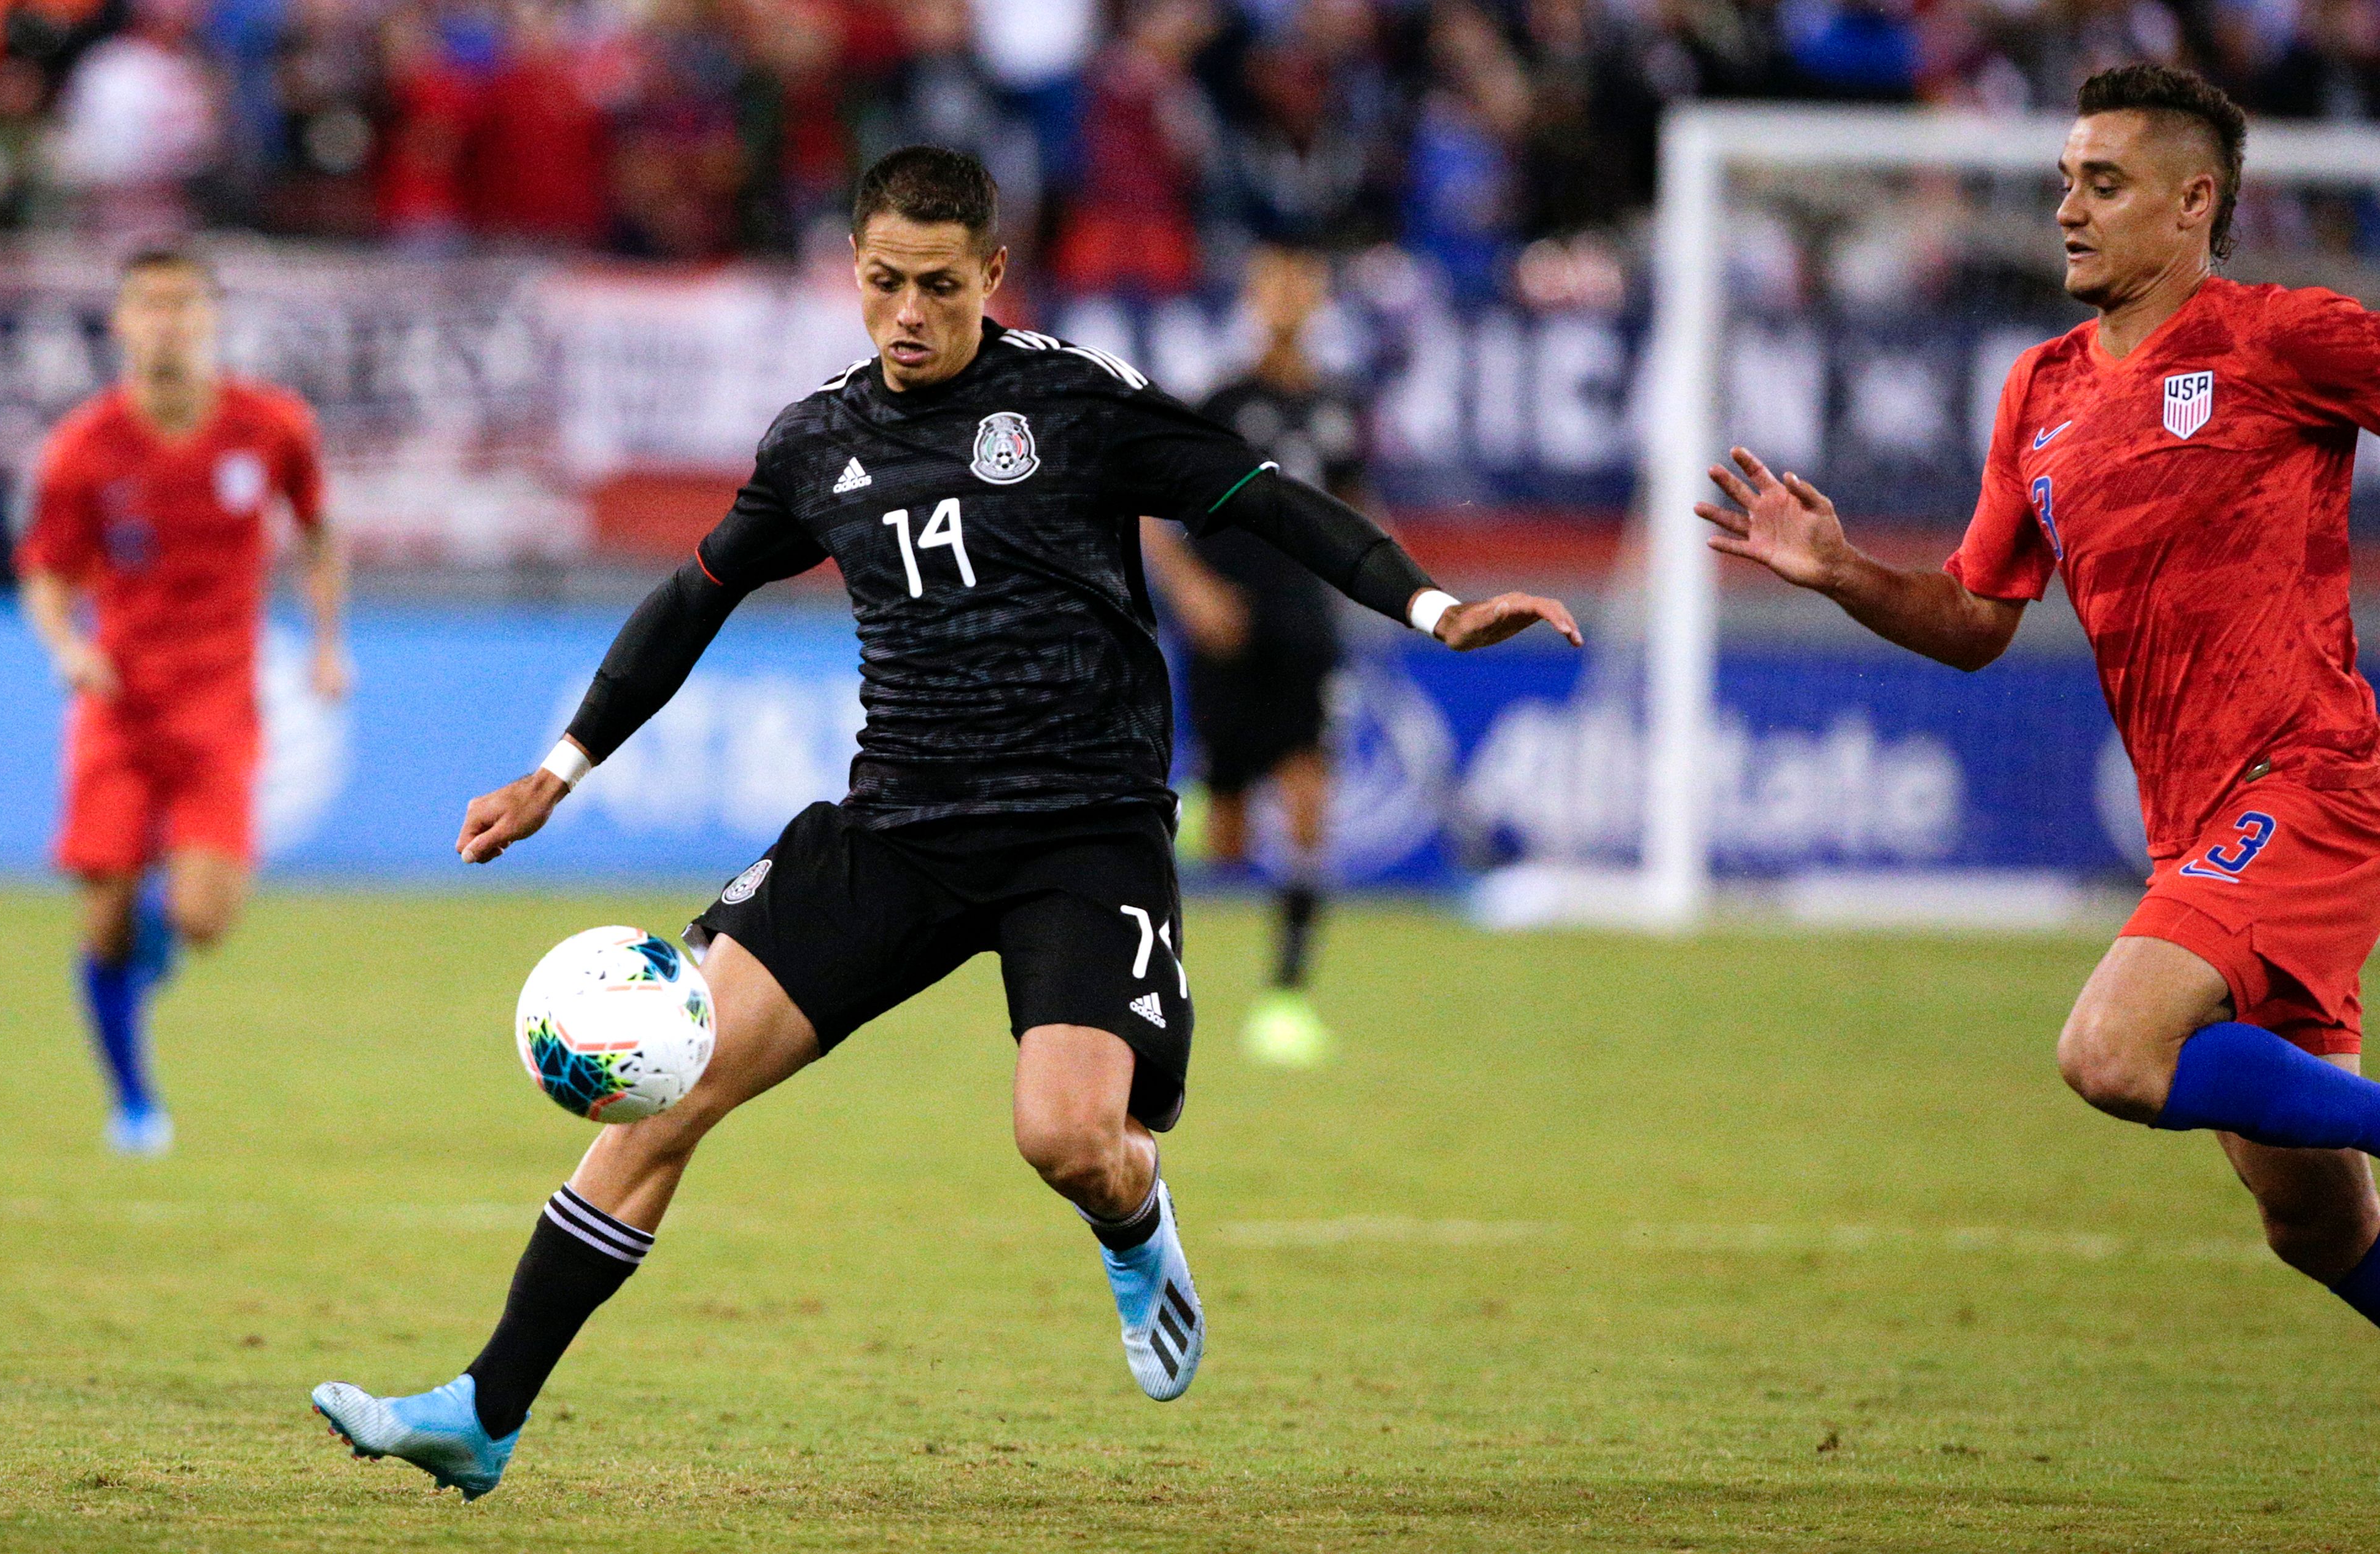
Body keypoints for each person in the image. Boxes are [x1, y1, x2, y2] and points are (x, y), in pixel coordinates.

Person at [309, 145, 1578, 1501]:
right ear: (852, 272)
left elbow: (1264, 499)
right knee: (672, 1084)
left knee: (1067, 1141)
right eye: (881, 283)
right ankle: (483, 1411)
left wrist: (1434, 608)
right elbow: (693, 599)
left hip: (1082, 828)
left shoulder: (1075, 404)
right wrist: (558, 770)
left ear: (992, 275)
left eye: (937, 286)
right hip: (898, 824)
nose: (906, 314)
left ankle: (1135, 1217)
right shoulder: (816, 442)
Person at [1697, 66, 2380, 1340]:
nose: (2067, 208)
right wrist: (1840, 572)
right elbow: (1975, 620)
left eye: (2102, 184)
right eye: (2065, 180)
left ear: (2193, 203)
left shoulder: (2280, 337)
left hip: (2308, 782)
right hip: (2192, 824)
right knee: (2314, 1223)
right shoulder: (2041, 392)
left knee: (2111, 1052)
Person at [17, 249, 346, 1156]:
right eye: (149, 304)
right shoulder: (84, 446)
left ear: (211, 318)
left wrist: (327, 643)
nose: (166, 321)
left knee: (202, 918)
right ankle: (134, 1103)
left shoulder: (270, 425)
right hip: (118, 706)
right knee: (105, 916)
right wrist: (69, 647)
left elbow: (318, 532)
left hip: (219, 707)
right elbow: (45, 572)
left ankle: (143, 968)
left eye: (183, 303)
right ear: (121, 322)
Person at [1139, 243, 1363, 1068]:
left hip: (1306, 632)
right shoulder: (1220, 401)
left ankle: (1288, 998)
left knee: (1308, 800)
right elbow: (1144, 507)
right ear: (1254, 295)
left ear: (1320, 295)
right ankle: (1153, 968)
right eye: (1274, 281)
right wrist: (1193, 594)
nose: (1288, 295)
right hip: (1225, 630)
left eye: (1302, 280)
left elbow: (1357, 520)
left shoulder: (1339, 407)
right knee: (1227, 836)